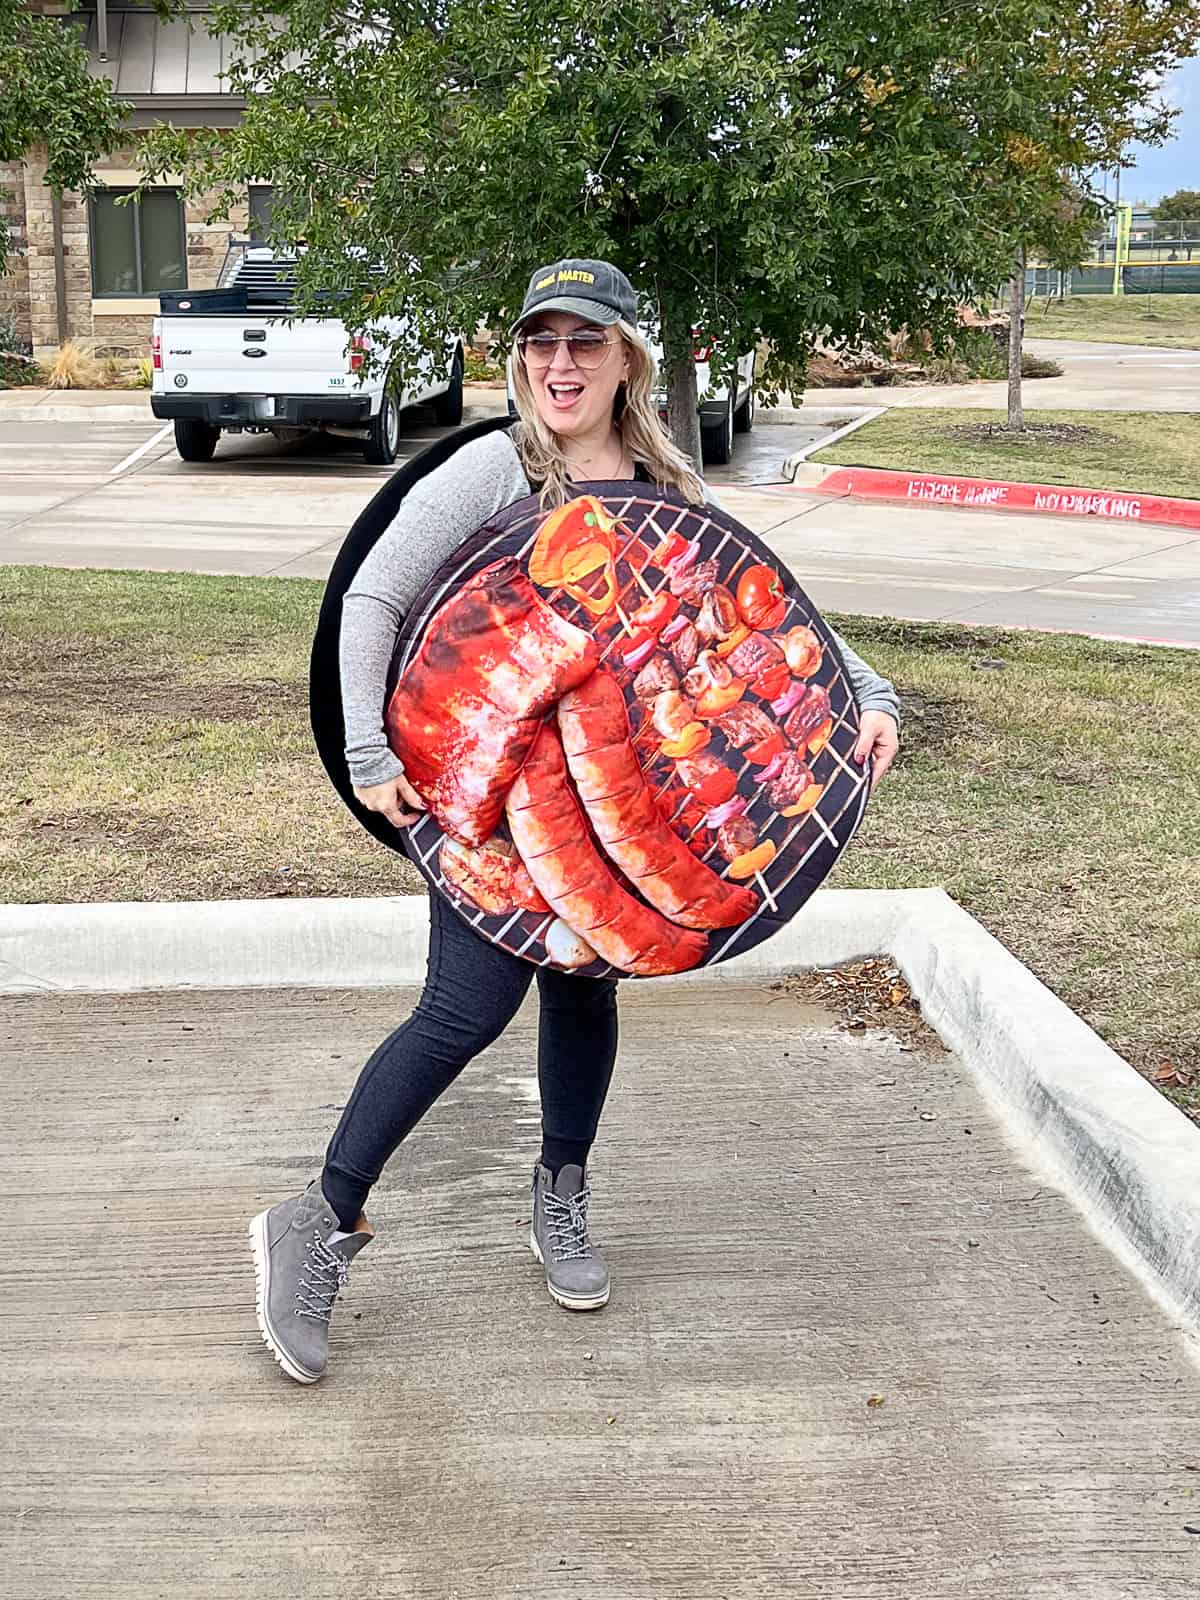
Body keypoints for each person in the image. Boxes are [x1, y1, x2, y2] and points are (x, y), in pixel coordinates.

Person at [249, 258, 901, 1385]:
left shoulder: (661, 477)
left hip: (615, 783)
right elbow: (372, 596)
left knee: (587, 984)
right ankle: (319, 1215)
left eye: (584, 343)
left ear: (626, 357)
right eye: (541, 343)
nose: (561, 364)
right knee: (464, 1009)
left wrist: (867, 693)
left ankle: (560, 1190)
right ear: (520, 359)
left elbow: (758, 587)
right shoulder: (493, 469)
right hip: (487, 797)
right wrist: (365, 751)